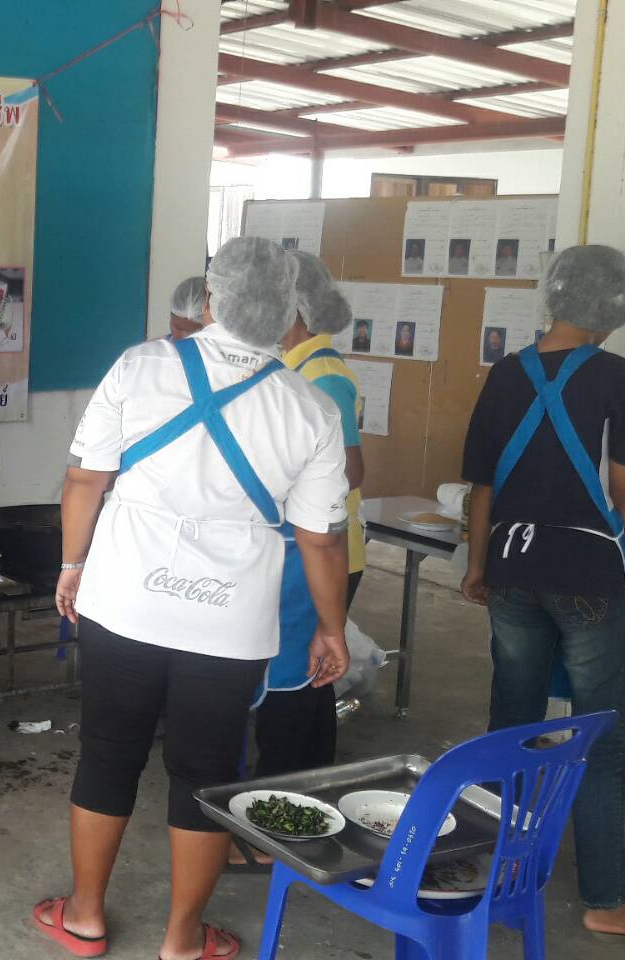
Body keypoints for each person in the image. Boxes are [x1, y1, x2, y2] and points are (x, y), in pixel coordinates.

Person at [35, 237, 351, 960]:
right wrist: (331, 628)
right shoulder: (310, 409)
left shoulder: (140, 366)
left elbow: (85, 479)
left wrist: (73, 564)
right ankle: (182, 939)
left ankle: (85, 916)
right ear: (288, 310)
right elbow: (322, 541)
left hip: (124, 599)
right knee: (209, 772)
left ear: (212, 300)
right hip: (230, 620)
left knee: (108, 753)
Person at [460, 244, 625, 944]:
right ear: (617, 308)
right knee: (599, 736)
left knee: (512, 719)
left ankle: (497, 866)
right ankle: (606, 899)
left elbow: (483, 487)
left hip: (511, 566)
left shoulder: (506, 372)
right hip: (589, 574)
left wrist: (477, 566)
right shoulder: (617, 377)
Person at [250, 252, 366, 805]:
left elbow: (352, 470)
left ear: (292, 306)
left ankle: (282, 796)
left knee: (296, 682)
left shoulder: (321, 373)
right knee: (313, 679)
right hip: (307, 547)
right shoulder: (293, 365)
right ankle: (311, 787)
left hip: (325, 550)